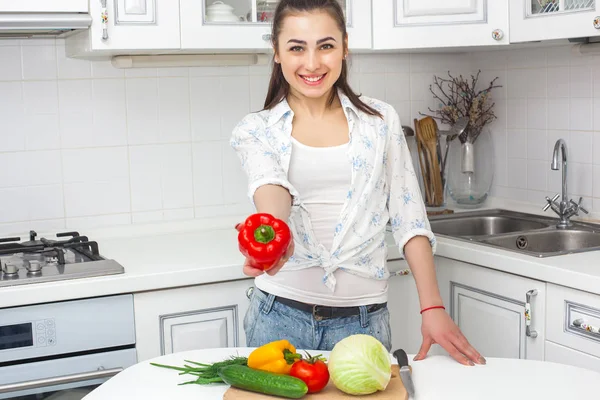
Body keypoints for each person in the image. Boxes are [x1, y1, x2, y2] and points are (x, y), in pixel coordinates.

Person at [230, 0, 485, 367]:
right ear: (277, 52)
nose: (313, 63)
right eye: (297, 47)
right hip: (277, 317)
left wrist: (432, 307)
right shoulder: (255, 129)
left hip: (364, 321)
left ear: (345, 47)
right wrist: (273, 232)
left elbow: (409, 217)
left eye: (326, 45)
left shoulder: (380, 120)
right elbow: (271, 186)